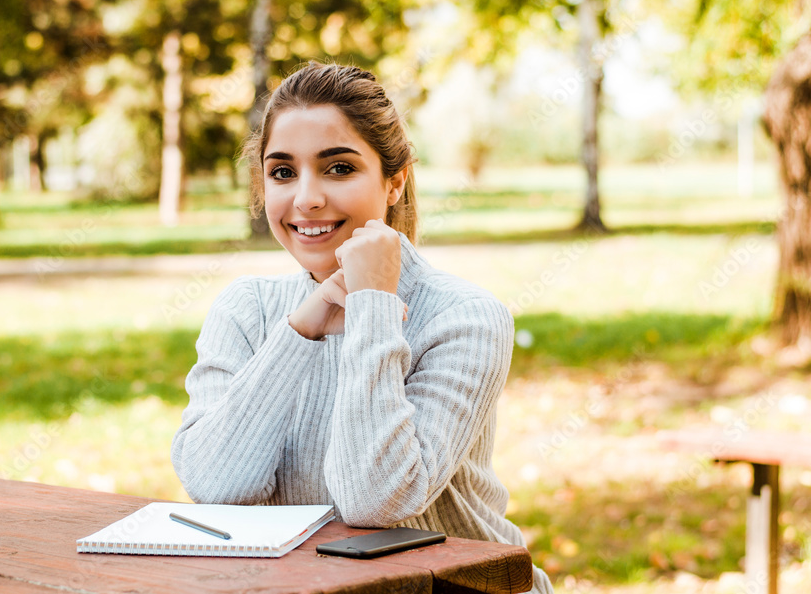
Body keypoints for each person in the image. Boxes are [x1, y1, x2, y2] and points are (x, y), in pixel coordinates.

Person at [170, 61, 553, 594]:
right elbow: (215, 484)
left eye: (339, 168)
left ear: (394, 181)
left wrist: (371, 305)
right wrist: (303, 327)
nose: (306, 198)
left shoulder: (464, 316)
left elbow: (376, 501)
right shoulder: (246, 309)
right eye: (283, 172)